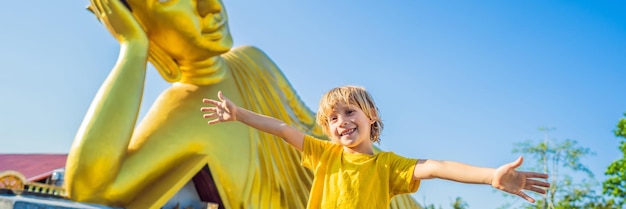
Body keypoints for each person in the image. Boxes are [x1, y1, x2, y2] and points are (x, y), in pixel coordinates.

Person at [65, 0, 420, 208]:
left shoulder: (252, 60)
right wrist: (133, 49)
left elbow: (312, 133)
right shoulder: (187, 107)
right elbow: (88, 189)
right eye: (174, 0)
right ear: (142, 23)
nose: (209, 7)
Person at [201, 85, 551, 208]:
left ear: (371, 117)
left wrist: (491, 175)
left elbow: (437, 166)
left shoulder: (389, 166)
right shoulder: (323, 153)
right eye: (333, 119)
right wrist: (238, 113)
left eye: (349, 112)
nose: (342, 123)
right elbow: (280, 128)